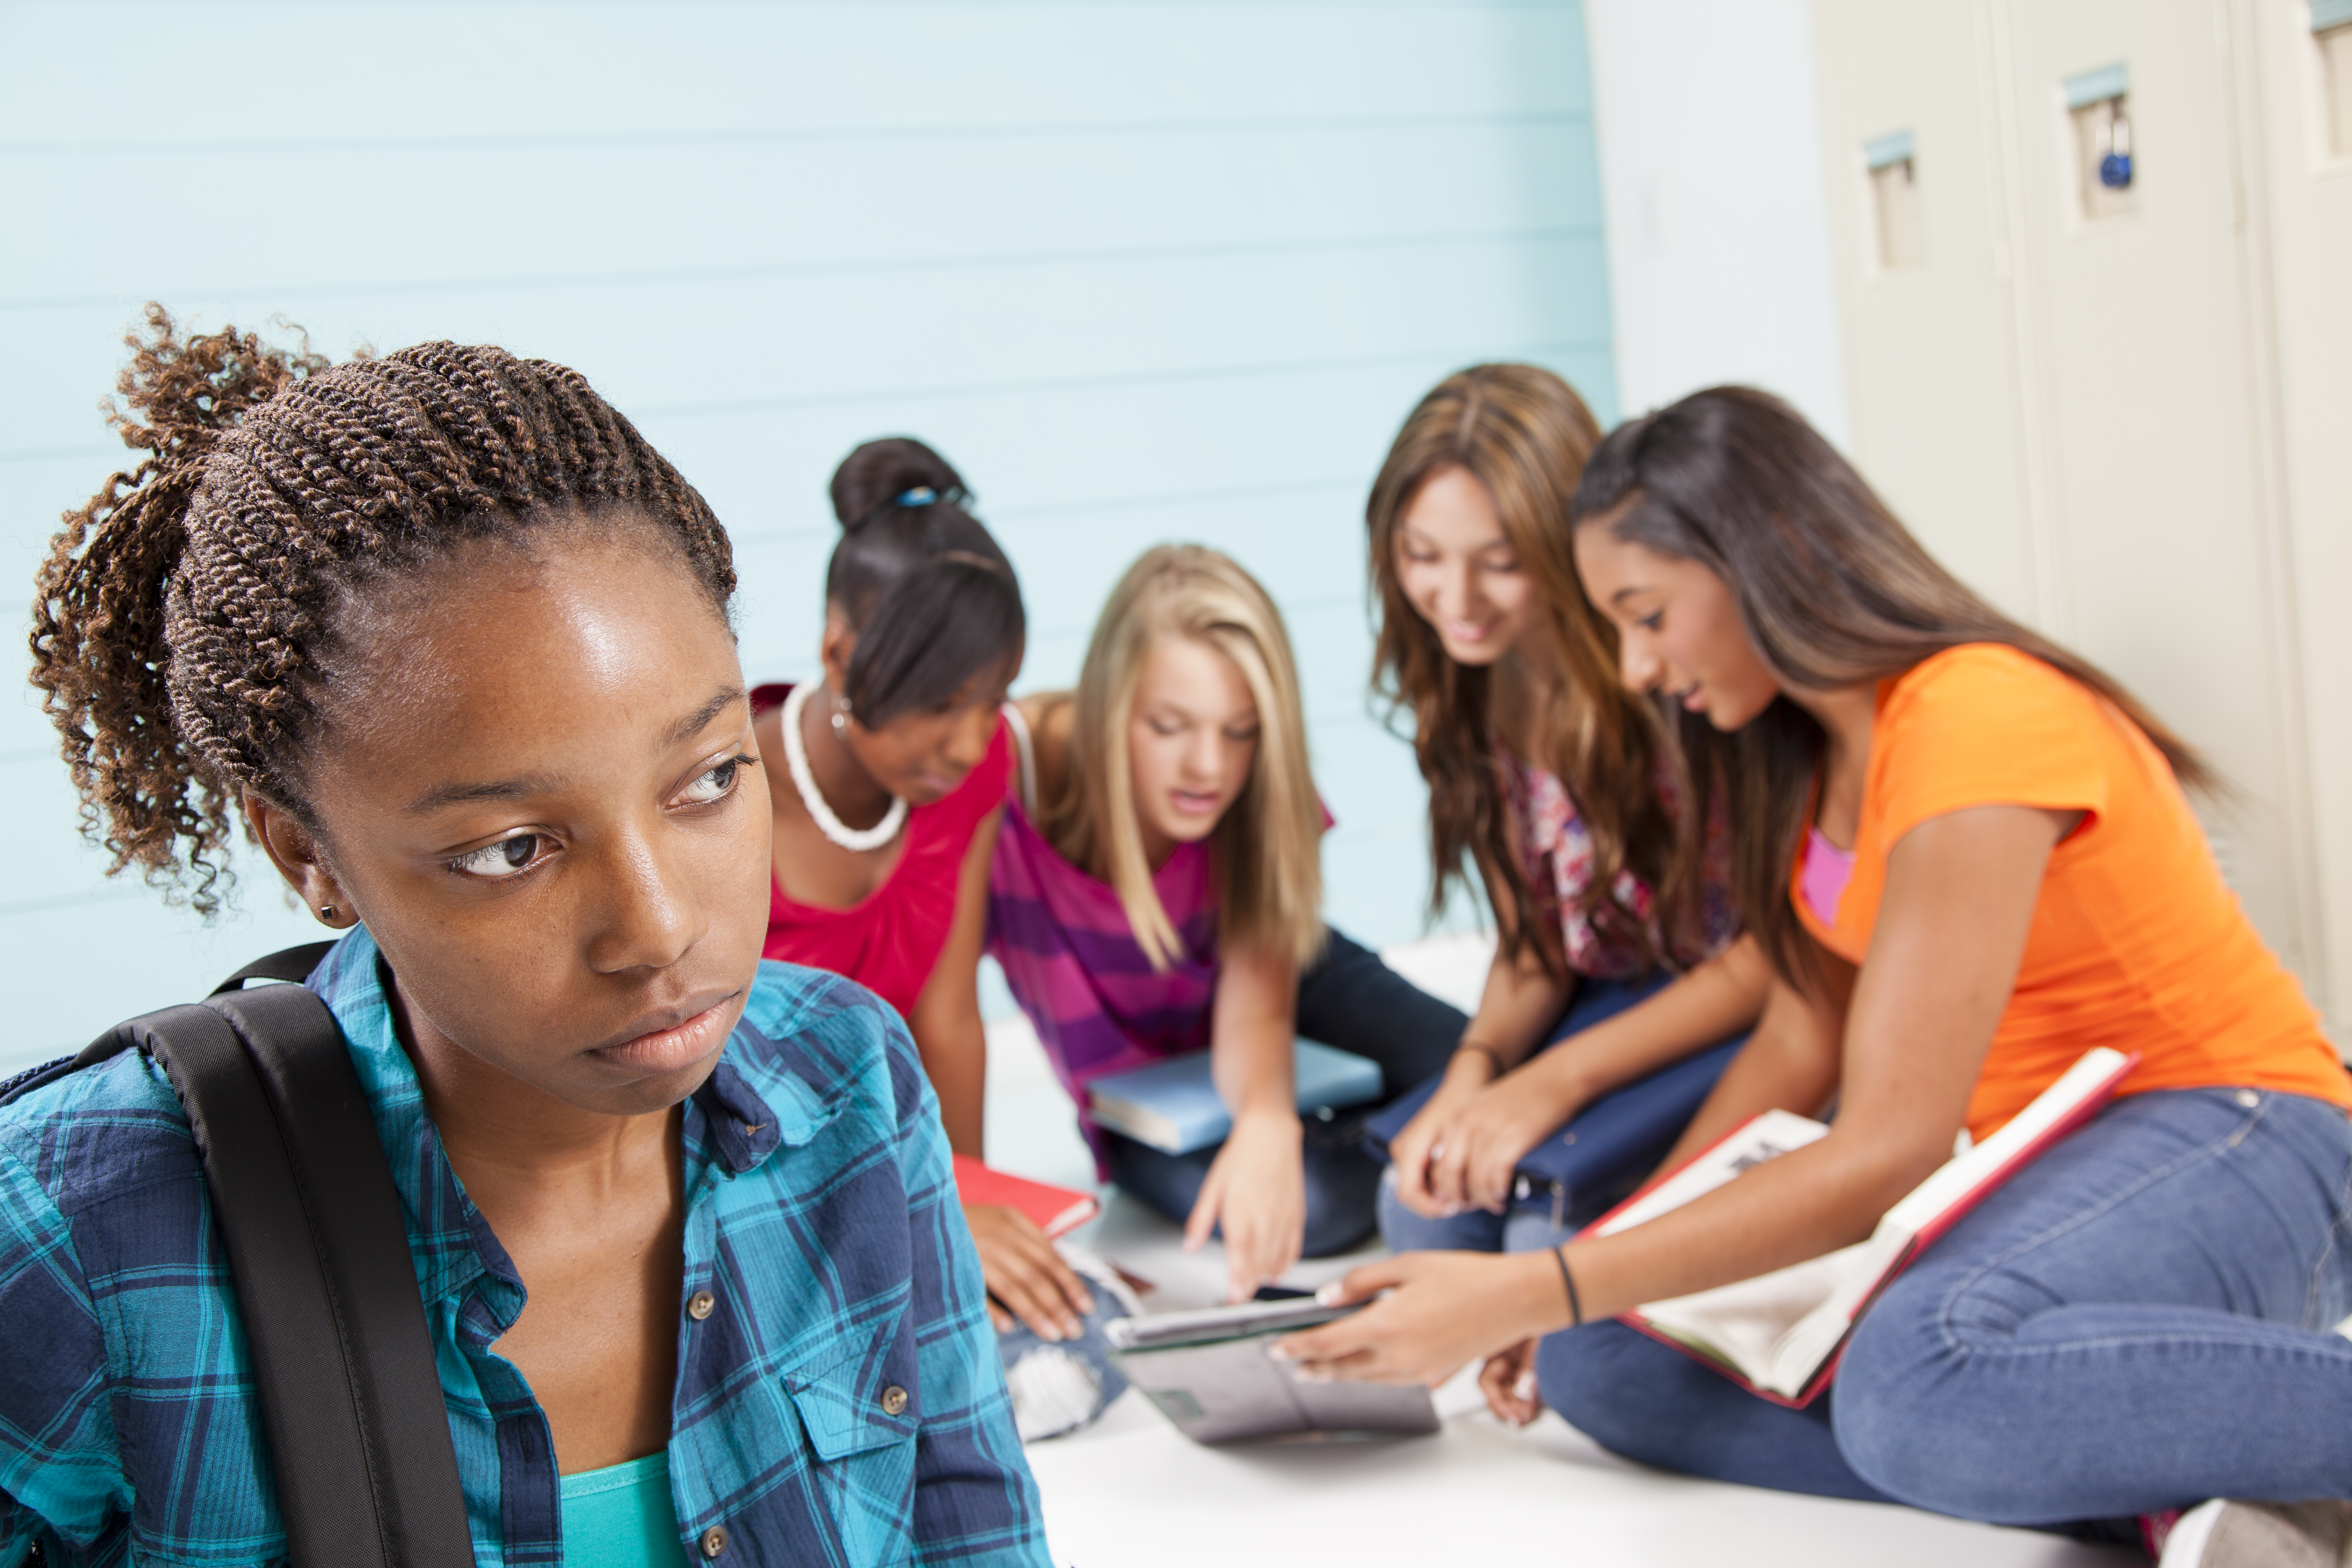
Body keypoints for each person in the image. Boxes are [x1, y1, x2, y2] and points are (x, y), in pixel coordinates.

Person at [4, 312, 1047, 1565]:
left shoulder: (852, 1084)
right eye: (512, 850)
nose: (660, 929)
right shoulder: (77, 1238)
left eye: (709, 779)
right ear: (306, 855)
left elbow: (970, 1526)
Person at [1280, 386, 2352, 1564]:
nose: (1635, 667)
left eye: (1648, 616)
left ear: (1765, 557)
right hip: (2039, 1175)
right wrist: (1602, 1278)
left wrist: (1533, 1288)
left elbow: (1888, 1146)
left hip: (2244, 1135)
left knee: (1917, 1371)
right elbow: (1797, 1046)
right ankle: (2193, 1496)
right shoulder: (1807, 758)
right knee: (1607, 1361)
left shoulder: (1977, 714)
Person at [988, 545, 1468, 1300]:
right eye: (1169, 726)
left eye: (1240, 731)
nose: (1209, 767)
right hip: (1142, 1089)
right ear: (1108, 705)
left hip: (1278, 975)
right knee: (1315, 1206)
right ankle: (1424, 1148)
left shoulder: (1256, 785)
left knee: (1478, 1067)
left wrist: (1269, 1120)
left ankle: (1420, 1141)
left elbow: (1258, 1006)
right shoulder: (1004, 771)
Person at [1363, 364, 1768, 1256]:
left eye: (1501, 563)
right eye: (1423, 556)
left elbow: (1774, 958)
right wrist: (1474, 1074)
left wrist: (1554, 1084)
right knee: (1418, 1208)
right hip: (1605, 1002)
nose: (1457, 601)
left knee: (1541, 1245)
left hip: (1734, 1011)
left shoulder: (1672, 672)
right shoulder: (1467, 689)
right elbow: (1535, 946)